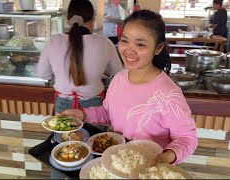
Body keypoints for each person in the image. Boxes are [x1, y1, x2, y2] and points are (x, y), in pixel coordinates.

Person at [59, 10, 198, 166]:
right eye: (125, 41)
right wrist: (83, 114)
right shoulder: (118, 78)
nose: (129, 50)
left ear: (158, 48)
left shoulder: (168, 93)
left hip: (150, 168)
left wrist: (165, 158)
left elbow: (187, 138)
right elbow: (108, 113)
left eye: (140, 44)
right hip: (119, 163)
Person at [37, 0, 122, 115]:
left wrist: (62, 74)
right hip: (94, 105)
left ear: (68, 19)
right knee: (96, 134)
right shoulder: (105, 42)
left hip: (63, 104)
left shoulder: (54, 41)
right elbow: (117, 72)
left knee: (64, 133)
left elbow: (43, 74)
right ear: (92, 20)